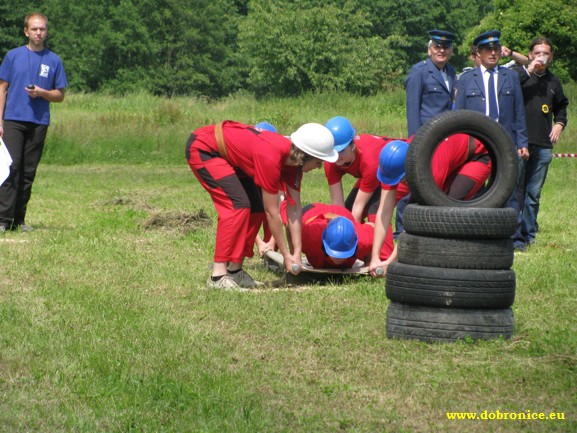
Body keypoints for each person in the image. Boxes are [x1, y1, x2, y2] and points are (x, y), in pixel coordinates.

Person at [185, 121, 338, 290]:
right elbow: (272, 212)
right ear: (306, 155)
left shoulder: (294, 164)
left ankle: (234, 271)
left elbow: (294, 209)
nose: (319, 167)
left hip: (230, 158)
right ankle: (218, 276)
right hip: (204, 148)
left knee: (256, 209)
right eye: (319, 161)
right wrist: (285, 255)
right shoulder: (271, 156)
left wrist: (296, 253)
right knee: (237, 205)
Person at [368, 134, 492, 277]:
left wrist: (391, 262)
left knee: (446, 209)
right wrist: (375, 257)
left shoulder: (431, 171)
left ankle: (455, 255)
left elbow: (416, 222)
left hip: (478, 155)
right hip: (449, 156)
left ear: (409, 170)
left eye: (400, 180)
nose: (397, 184)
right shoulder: (391, 165)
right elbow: (384, 211)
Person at [454, 30, 529, 250]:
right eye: (488, 50)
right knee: (476, 188)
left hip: (505, 140)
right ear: (479, 53)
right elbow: (458, 115)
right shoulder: (466, 79)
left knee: (509, 189)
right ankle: (477, 233)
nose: (493, 53)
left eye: (496, 49)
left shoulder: (510, 77)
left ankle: (514, 238)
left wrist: (522, 142)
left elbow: (518, 112)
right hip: (476, 142)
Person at [0, 13, 67, 232]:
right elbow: (2, 88)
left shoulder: (54, 60)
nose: (38, 33)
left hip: (39, 122)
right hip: (13, 120)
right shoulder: (13, 56)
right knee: (11, 168)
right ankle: (3, 220)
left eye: (42, 29)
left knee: (28, 171)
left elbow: (60, 95)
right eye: (34, 29)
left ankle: (19, 220)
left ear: (46, 32)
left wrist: (42, 92)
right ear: (26, 31)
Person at [511, 37, 569, 249]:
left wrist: (559, 124)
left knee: (533, 193)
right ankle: (513, 235)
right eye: (537, 53)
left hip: (543, 144)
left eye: (545, 53)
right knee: (516, 190)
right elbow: (508, 92)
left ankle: (529, 235)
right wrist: (529, 69)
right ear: (530, 55)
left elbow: (562, 106)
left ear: (551, 57)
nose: (541, 57)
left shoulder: (554, 82)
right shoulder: (518, 75)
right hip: (519, 142)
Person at [270, 201, 394, 269]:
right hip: (312, 212)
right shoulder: (308, 236)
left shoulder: (362, 241)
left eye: (344, 254)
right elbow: (289, 225)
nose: (339, 259)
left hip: (343, 214)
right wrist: (294, 255)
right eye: (334, 253)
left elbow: (373, 227)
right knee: (290, 213)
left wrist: (370, 260)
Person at [324, 116, 402, 223]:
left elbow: (358, 207)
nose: (336, 156)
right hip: (373, 171)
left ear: (352, 146)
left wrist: (352, 231)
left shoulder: (369, 160)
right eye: (333, 151)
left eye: (341, 151)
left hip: (398, 169)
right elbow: (337, 204)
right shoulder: (330, 160)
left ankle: (380, 235)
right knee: (347, 213)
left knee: (375, 212)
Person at [405, 30, 457, 137]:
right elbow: (413, 110)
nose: (441, 51)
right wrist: (414, 139)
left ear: (451, 51)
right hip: (426, 134)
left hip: (446, 133)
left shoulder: (451, 72)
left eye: (446, 47)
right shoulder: (419, 72)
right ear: (429, 51)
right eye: (437, 47)